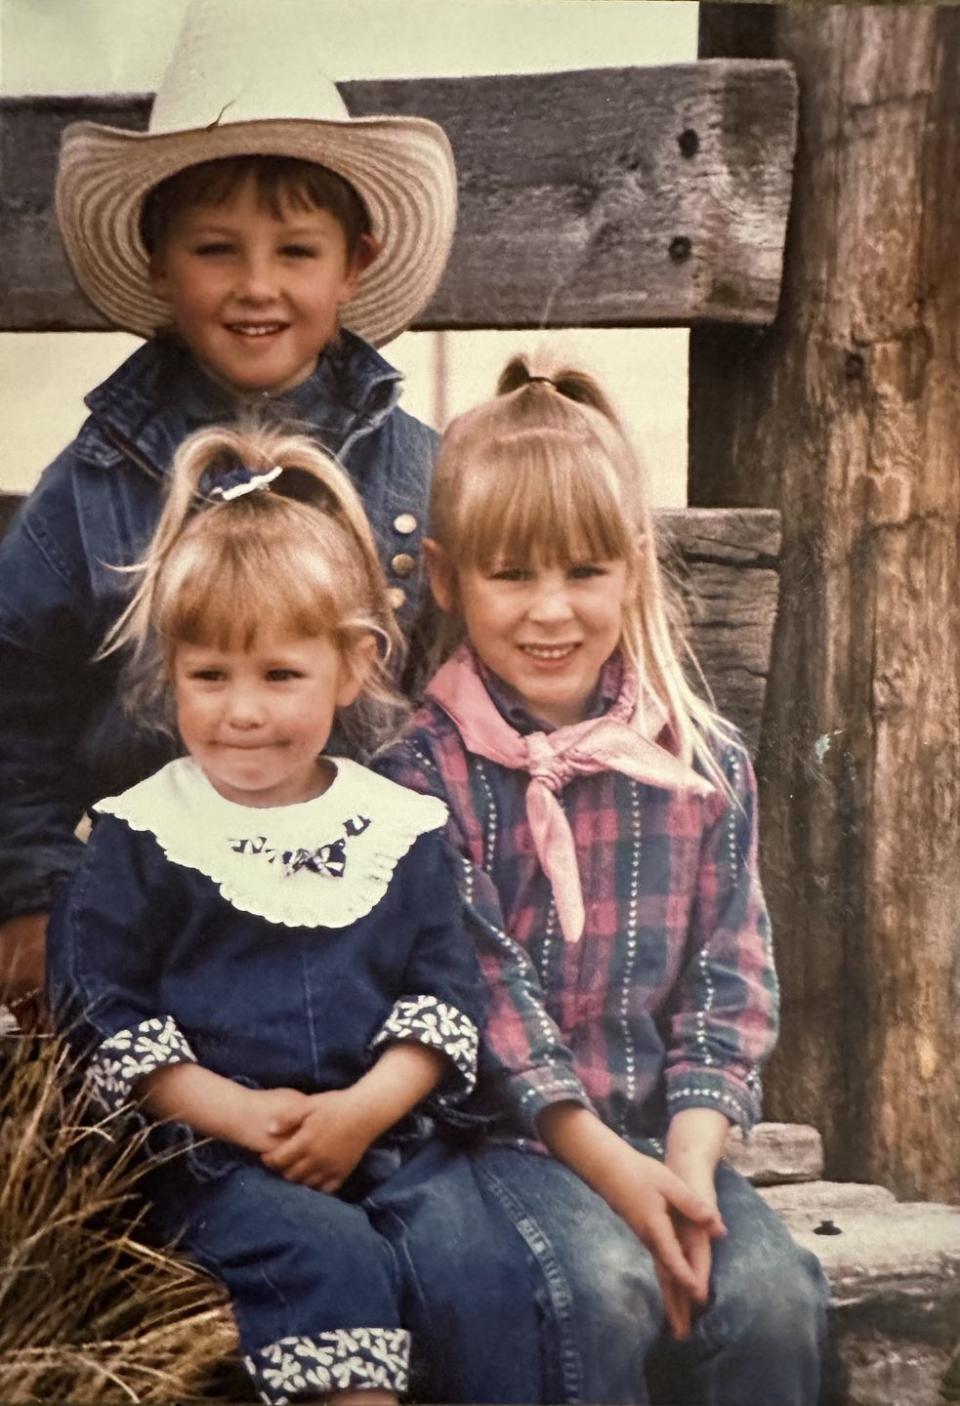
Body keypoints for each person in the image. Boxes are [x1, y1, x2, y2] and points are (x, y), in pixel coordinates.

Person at [46, 423, 550, 1406]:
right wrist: (232, 1109)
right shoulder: (146, 831)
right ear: (172, 667)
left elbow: (441, 994)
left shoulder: (395, 827)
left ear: (352, 666)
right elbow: (99, 1004)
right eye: (210, 676)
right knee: (327, 1255)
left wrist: (363, 1110)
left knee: (480, 1264)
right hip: (215, 1156)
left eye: (280, 675)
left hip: (390, 1137)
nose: (242, 711)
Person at [375, 354, 830, 1406]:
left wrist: (688, 1160)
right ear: (446, 578)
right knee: (603, 1286)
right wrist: (623, 1179)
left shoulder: (699, 763)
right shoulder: (420, 774)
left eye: (585, 571)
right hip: (503, 1142)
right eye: (512, 573)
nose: (552, 610)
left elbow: (732, 981)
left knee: (771, 1297)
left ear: (634, 567)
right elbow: (482, 999)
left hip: (668, 1134)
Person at [0, 0, 456, 1023]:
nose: (258, 286)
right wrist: (31, 892)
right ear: (162, 263)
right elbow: (13, 700)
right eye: (217, 249)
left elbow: (457, 701)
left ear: (357, 263)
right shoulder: (100, 478)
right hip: (152, 914)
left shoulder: (415, 475)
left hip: (363, 916)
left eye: (297, 250)